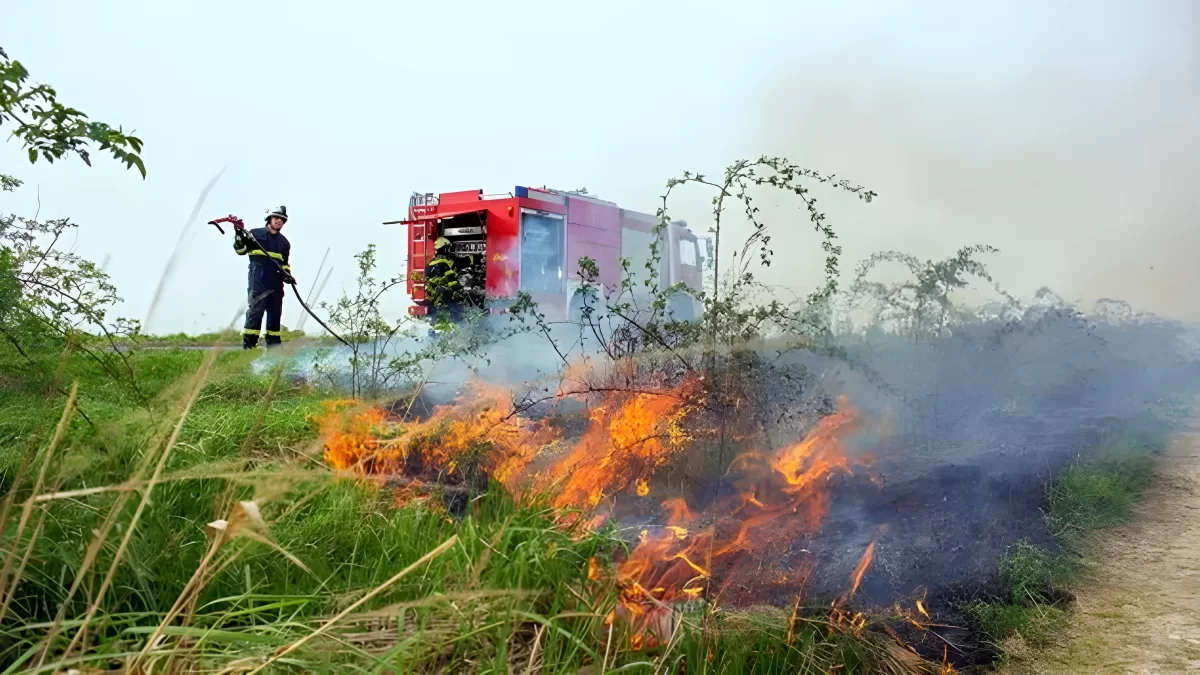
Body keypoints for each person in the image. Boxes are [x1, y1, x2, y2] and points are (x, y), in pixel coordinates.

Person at [234, 206, 295, 349]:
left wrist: (288, 276)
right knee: (255, 313)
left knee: (275, 315)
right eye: (276, 218)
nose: (279, 221)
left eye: (282, 220)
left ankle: (274, 350)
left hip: (276, 284)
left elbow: (285, 264)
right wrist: (238, 237)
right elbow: (241, 250)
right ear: (269, 219)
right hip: (258, 282)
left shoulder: (284, 244)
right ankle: (249, 347)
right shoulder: (255, 235)